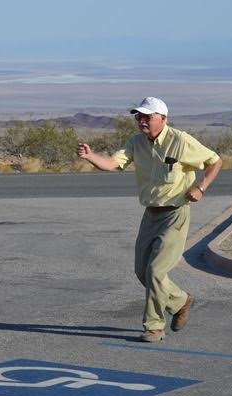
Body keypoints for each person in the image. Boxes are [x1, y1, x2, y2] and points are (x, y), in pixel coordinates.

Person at [76, 97, 223, 342]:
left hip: (175, 213)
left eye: (147, 116)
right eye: (138, 116)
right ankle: (180, 301)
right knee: (142, 272)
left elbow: (215, 161)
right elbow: (113, 163)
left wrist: (201, 187)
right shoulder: (136, 142)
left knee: (155, 271)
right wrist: (91, 157)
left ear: (162, 118)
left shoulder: (181, 140)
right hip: (150, 214)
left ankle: (154, 326)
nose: (141, 121)